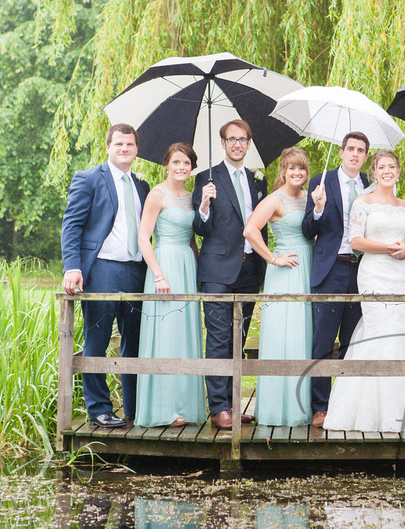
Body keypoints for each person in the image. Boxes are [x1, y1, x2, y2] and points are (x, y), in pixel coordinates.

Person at [323, 150, 405, 432]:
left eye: (392, 166)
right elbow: (356, 241)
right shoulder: (362, 202)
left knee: (401, 332)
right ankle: (367, 411)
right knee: (377, 331)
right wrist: (388, 248)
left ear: (398, 171)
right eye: (381, 167)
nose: (387, 171)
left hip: (400, 276)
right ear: (373, 172)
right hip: (374, 273)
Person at [61, 123, 150, 427]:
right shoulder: (88, 179)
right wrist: (72, 267)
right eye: (119, 144)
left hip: (137, 271)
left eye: (130, 145)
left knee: (135, 342)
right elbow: (72, 226)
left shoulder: (142, 185)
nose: (125, 149)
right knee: (96, 340)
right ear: (108, 147)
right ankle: (99, 408)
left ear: (137, 149)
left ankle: (136, 408)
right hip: (102, 269)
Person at [192, 119, 267, 430]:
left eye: (243, 139)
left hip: (250, 269)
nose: (238, 144)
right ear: (222, 143)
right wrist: (205, 204)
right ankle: (219, 408)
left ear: (249, 144)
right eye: (232, 139)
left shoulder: (258, 180)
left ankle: (234, 404)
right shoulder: (205, 179)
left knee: (239, 338)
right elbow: (200, 229)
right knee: (220, 338)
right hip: (217, 270)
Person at [134, 143, 208, 428]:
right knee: (165, 334)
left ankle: (186, 407)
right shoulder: (157, 194)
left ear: (192, 167)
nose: (181, 167)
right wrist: (159, 275)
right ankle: (162, 408)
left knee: (186, 334)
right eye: (176, 162)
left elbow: (193, 239)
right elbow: (143, 239)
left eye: (187, 163)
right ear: (166, 164)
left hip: (187, 266)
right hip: (163, 265)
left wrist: (199, 272)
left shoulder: (192, 198)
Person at [302, 132, 370, 428]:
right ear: (341, 152)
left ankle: (344, 403)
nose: (355, 154)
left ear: (366, 156)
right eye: (351, 149)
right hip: (331, 269)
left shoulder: (371, 183)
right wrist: (317, 207)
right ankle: (320, 407)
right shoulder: (321, 182)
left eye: (361, 150)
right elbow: (307, 229)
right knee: (323, 340)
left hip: (363, 270)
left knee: (353, 340)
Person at [243, 147, 313, 426]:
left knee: (304, 337)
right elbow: (250, 230)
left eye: (302, 169)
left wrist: (318, 207)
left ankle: (302, 407)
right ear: (283, 170)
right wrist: (273, 257)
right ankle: (278, 409)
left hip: (308, 270)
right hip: (286, 271)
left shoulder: (311, 198)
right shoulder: (274, 200)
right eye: (292, 168)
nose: (297, 173)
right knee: (286, 338)